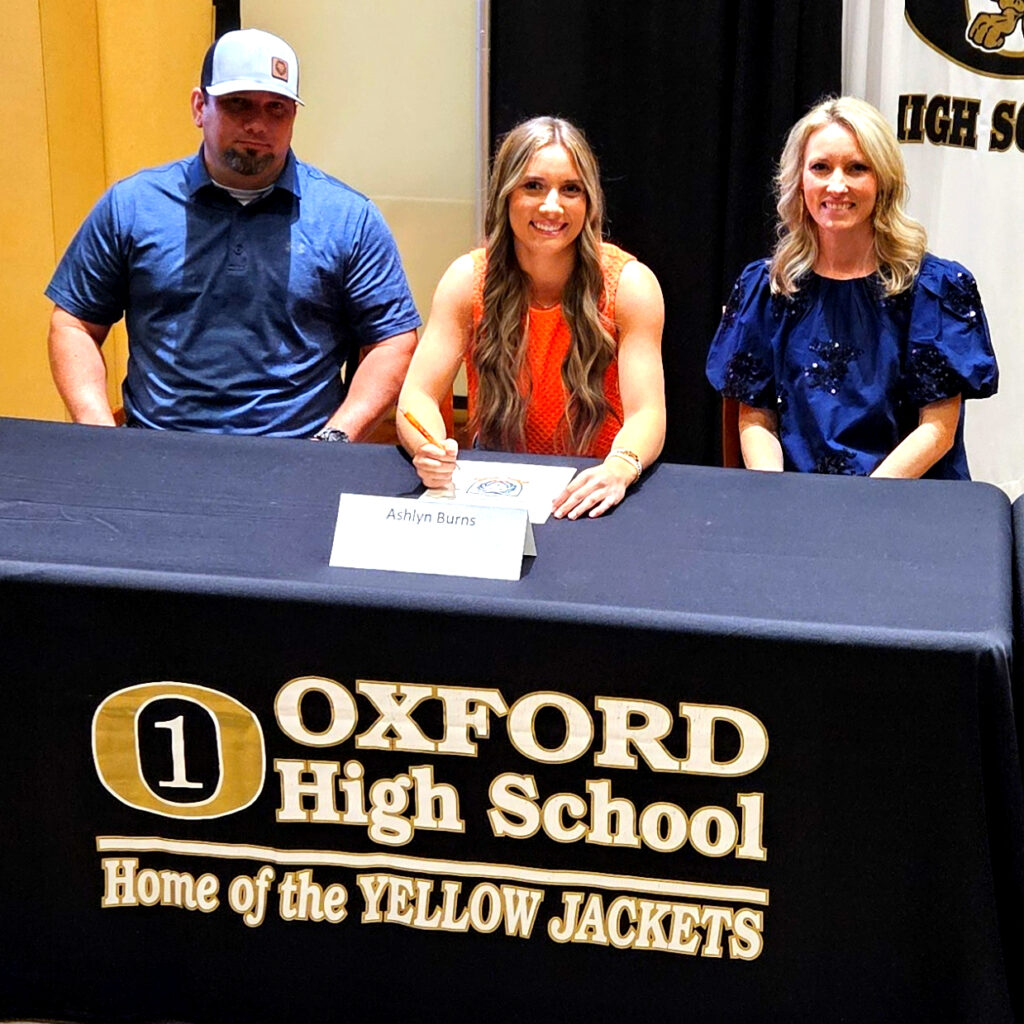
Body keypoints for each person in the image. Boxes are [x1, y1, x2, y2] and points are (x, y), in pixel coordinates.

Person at [46, 28, 420, 440]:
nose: (257, 124)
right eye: (237, 104)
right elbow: (74, 325)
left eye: (276, 108)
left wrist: (334, 441)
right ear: (198, 106)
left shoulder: (349, 219)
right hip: (156, 450)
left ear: (293, 116)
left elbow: (392, 342)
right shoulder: (132, 206)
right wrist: (99, 433)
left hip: (301, 455)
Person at [705, 95, 997, 478]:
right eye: (821, 168)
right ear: (799, 179)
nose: (836, 185)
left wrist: (859, 507)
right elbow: (756, 420)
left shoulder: (935, 288)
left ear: (883, 181)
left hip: (902, 501)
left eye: (857, 168)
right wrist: (774, 498)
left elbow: (937, 430)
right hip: (795, 501)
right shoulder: (767, 286)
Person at [397, 116, 665, 519]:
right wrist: (430, 450)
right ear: (505, 195)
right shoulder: (467, 280)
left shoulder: (630, 285)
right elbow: (415, 396)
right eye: (533, 186)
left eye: (571, 189)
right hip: (492, 493)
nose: (552, 205)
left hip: (593, 494)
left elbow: (648, 412)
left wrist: (619, 467)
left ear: (589, 201)